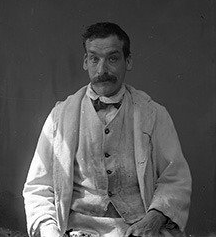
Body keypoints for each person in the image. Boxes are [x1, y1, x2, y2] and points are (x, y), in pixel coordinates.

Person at [23, 22, 192, 237]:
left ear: (128, 61)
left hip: (138, 228)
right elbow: (38, 187)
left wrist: (152, 220)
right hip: (76, 229)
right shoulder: (60, 116)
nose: (102, 70)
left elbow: (175, 180)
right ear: (85, 62)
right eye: (94, 58)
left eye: (112, 58)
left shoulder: (154, 114)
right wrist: (50, 231)